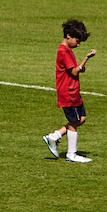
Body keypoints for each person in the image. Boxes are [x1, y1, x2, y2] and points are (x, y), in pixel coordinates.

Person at [41, 19, 96, 163]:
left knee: (81, 118)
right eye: (77, 41)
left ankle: (54, 136)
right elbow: (74, 72)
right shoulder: (63, 51)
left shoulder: (68, 50)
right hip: (68, 92)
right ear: (69, 36)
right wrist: (86, 59)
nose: (78, 44)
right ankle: (71, 154)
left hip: (73, 90)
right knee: (74, 121)